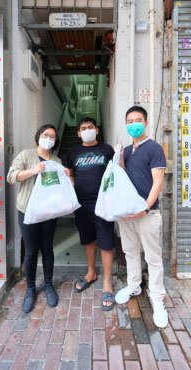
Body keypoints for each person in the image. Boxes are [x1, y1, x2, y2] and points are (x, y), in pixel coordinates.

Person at [7, 124, 70, 313]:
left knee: (48, 249)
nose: (49, 138)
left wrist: (66, 176)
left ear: (55, 140)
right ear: (38, 136)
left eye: (52, 136)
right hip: (27, 211)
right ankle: (31, 289)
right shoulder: (27, 155)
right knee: (31, 251)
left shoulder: (57, 160)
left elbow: (59, 187)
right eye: (45, 134)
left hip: (49, 212)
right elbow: (12, 176)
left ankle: (49, 284)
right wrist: (33, 171)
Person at [115, 106, 168, 328]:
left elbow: (157, 182)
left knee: (153, 257)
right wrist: (118, 158)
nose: (133, 124)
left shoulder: (154, 148)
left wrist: (145, 208)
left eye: (138, 120)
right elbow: (122, 177)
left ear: (146, 123)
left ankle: (157, 298)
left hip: (148, 213)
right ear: (126, 124)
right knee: (130, 252)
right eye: (129, 121)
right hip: (127, 214)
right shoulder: (127, 150)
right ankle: (134, 285)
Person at [68, 117, 116, 311]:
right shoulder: (73, 152)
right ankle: (91, 273)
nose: (87, 130)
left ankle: (107, 282)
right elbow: (70, 173)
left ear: (96, 130)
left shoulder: (107, 150)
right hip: (82, 204)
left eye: (90, 127)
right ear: (79, 133)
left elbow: (115, 173)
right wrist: (71, 180)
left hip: (103, 203)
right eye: (83, 128)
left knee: (106, 242)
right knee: (89, 241)